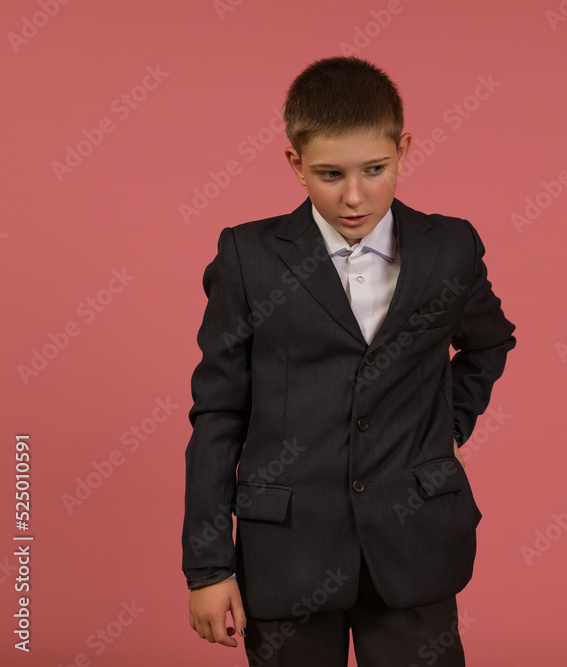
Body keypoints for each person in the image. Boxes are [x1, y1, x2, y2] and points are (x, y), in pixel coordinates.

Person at [181, 56, 516, 666]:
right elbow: (218, 413)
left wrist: (447, 426)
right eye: (330, 174)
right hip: (286, 549)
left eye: (375, 169)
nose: (355, 196)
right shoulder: (247, 257)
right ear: (295, 163)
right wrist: (207, 567)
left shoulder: (450, 249)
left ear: (403, 149)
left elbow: (488, 342)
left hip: (415, 540)